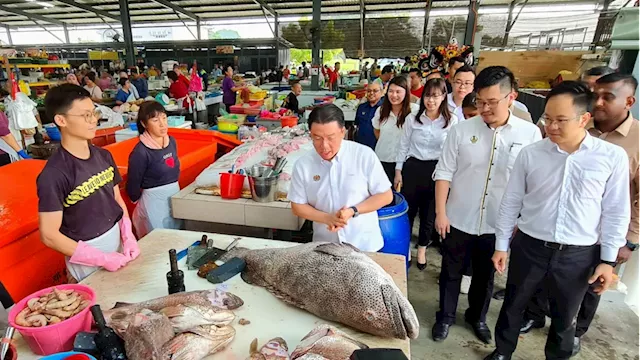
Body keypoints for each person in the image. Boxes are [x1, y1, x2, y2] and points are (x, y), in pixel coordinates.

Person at [486, 81, 630, 360]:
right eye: (548, 119)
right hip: (530, 246)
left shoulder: (611, 157)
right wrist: (501, 245)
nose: (551, 127)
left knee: (565, 318)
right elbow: (511, 202)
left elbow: (615, 211)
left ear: (584, 118)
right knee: (514, 305)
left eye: (560, 120)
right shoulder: (532, 154)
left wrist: (607, 261)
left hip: (578, 254)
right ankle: (503, 352)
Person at [432, 66, 542, 344]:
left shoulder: (529, 135)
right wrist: (441, 213)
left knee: (485, 276)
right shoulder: (461, 130)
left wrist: (519, 222)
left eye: (492, 102)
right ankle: (445, 316)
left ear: (512, 97)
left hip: (498, 223)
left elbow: (532, 184)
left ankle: (476, 317)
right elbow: (444, 173)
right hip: (458, 216)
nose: (484, 108)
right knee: (451, 272)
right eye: (480, 101)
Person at [37, 84, 140, 282]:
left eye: (94, 113)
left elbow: (116, 197)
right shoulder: (54, 174)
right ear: (61, 120)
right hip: (85, 258)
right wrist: (100, 258)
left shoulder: (103, 155)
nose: (94, 120)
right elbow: (49, 235)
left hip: (116, 241)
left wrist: (128, 234)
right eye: (85, 115)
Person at [288, 104, 393, 252]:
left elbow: (385, 195)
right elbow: (298, 206)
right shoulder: (303, 164)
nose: (324, 146)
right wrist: (327, 218)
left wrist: (353, 211)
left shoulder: (363, 155)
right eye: (317, 138)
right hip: (325, 245)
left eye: (330, 138)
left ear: (342, 132)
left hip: (364, 244)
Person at [396, 78, 458, 270]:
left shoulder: (452, 121)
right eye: (428, 96)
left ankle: (422, 249)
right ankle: (405, 250)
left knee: (429, 214)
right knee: (409, 212)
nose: (431, 101)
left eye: (436, 96)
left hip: (437, 172)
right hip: (413, 168)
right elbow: (403, 146)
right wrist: (398, 171)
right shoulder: (412, 118)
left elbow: (453, 152)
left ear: (443, 97)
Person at [126, 101, 182, 238]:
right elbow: (133, 184)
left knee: (179, 234)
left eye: (164, 118)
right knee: (160, 238)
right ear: (144, 124)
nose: (162, 124)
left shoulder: (171, 141)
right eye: (155, 120)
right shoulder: (141, 152)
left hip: (175, 194)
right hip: (154, 202)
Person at [372, 76, 419, 182]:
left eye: (398, 92)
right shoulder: (381, 110)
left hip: (405, 162)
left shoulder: (414, 111)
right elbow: (377, 130)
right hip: (383, 159)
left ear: (406, 92)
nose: (394, 95)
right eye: (391, 91)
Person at [354, 81, 384, 150]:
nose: (371, 93)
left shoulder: (384, 109)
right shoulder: (361, 107)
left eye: (375, 91)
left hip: (378, 148)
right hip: (361, 147)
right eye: (369, 91)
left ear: (381, 92)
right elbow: (357, 125)